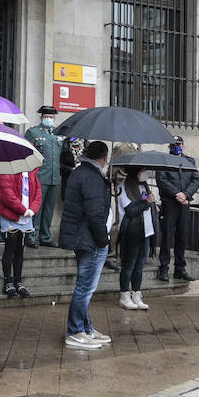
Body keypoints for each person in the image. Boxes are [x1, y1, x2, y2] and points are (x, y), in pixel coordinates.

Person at [58, 141, 112, 349]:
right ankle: (75, 331)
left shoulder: (82, 173)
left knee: (86, 286)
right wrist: (103, 241)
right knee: (85, 287)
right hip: (89, 239)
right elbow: (95, 214)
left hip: (83, 237)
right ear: (104, 158)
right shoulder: (91, 177)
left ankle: (86, 327)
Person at [154, 136, 198, 282]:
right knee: (167, 237)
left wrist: (186, 194)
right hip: (169, 203)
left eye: (179, 144)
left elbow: (195, 180)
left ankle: (180, 268)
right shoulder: (164, 160)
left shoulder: (189, 161)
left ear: (183, 145)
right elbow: (162, 180)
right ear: (169, 146)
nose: (177, 146)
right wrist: (176, 194)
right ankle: (164, 268)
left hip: (184, 203)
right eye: (174, 144)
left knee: (182, 236)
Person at [0, 164, 40, 298]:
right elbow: (7, 194)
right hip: (11, 215)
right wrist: (22, 210)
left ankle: (18, 281)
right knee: (10, 248)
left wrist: (33, 209)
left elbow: (37, 192)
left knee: (20, 249)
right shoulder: (6, 172)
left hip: (26, 216)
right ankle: (8, 282)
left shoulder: (31, 173)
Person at [116, 167, 158, 311]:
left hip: (146, 231)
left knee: (139, 265)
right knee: (129, 265)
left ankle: (136, 294)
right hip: (131, 232)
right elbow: (130, 210)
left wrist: (152, 204)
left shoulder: (144, 186)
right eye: (143, 171)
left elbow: (148, 205)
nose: (145, 173)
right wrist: (147, 202)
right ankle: (124, 295)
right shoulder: (123, 187)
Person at [23, 106, 62, 246]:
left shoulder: (57, 134)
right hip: (39, 177)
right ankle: (32, 235)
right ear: (41, 118)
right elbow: (26, 153)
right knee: (36, 208)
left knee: (49, 209)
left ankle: (45, 237)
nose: (49, 119)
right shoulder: (33, 133)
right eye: (46, 117)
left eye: (51, 117)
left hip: (54, 178)